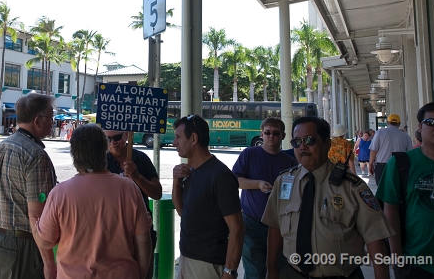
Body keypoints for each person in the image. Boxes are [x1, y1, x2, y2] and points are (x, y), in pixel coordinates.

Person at [262, 116, 393, 279]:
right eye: (296, 142)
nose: (302, 147)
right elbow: (275, 228)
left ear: (327, 143)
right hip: (293, 274)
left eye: (309, 140)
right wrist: (271, 269)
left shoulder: (352, 186)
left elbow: (375, 239)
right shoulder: (283, 182)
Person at [37, 124, 152, 279]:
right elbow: (144, 242)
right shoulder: (129, 188)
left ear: (74, 154)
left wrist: (36, 222)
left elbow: (45, 242)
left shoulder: (60, 193)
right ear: (103, 150)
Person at [376, 101, 434, 279]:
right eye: (432, 122)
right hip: (416, 263)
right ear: (420, 127)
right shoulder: (399, 164)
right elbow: (390, 209)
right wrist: (396, 254)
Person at [0, 93, 58, 279]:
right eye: (51, 118)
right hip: (25, 247)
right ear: (37, 121)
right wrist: (49, 264)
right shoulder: (36, 156)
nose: (52, 123)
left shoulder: (1, 147)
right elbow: (36, 216)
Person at [172, 114, 244, 279]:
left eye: (178, 136)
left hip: (207, 265)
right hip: (186, 259)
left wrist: (229, 271)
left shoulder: (220, 176)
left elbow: (237, 227)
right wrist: (176, 183)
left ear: (194, 138)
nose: (174, 142)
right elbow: (183, 212)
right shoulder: (190, 170)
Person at [231, 117, 297, 279]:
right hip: (251, 222)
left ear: (283, 135)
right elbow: (235, 181)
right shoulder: (249, 154)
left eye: (275, 133)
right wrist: (258, 184)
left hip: (280, 225)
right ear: (262, 134)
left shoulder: (290, 162)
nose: (271, 136)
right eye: (267, 133)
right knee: (255, 271)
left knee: (279, 270)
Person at [105, 129, 162, 279]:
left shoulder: (140, 158)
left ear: (127, 135)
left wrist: (137, 176)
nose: (112, 143)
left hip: (141, 233)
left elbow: (157, 193)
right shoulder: (101, 161)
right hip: (112, 234)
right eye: (108, 139)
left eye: (116, 137)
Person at [369, 114, 412, 185]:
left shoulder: (380, 132)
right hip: (399, 166)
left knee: (381, 191)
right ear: (399, 124)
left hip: (382, 166)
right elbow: (409, 153)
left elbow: (374, 150)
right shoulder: (406, 136)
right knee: (398, 190)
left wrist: (370, 164)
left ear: (388, 123)